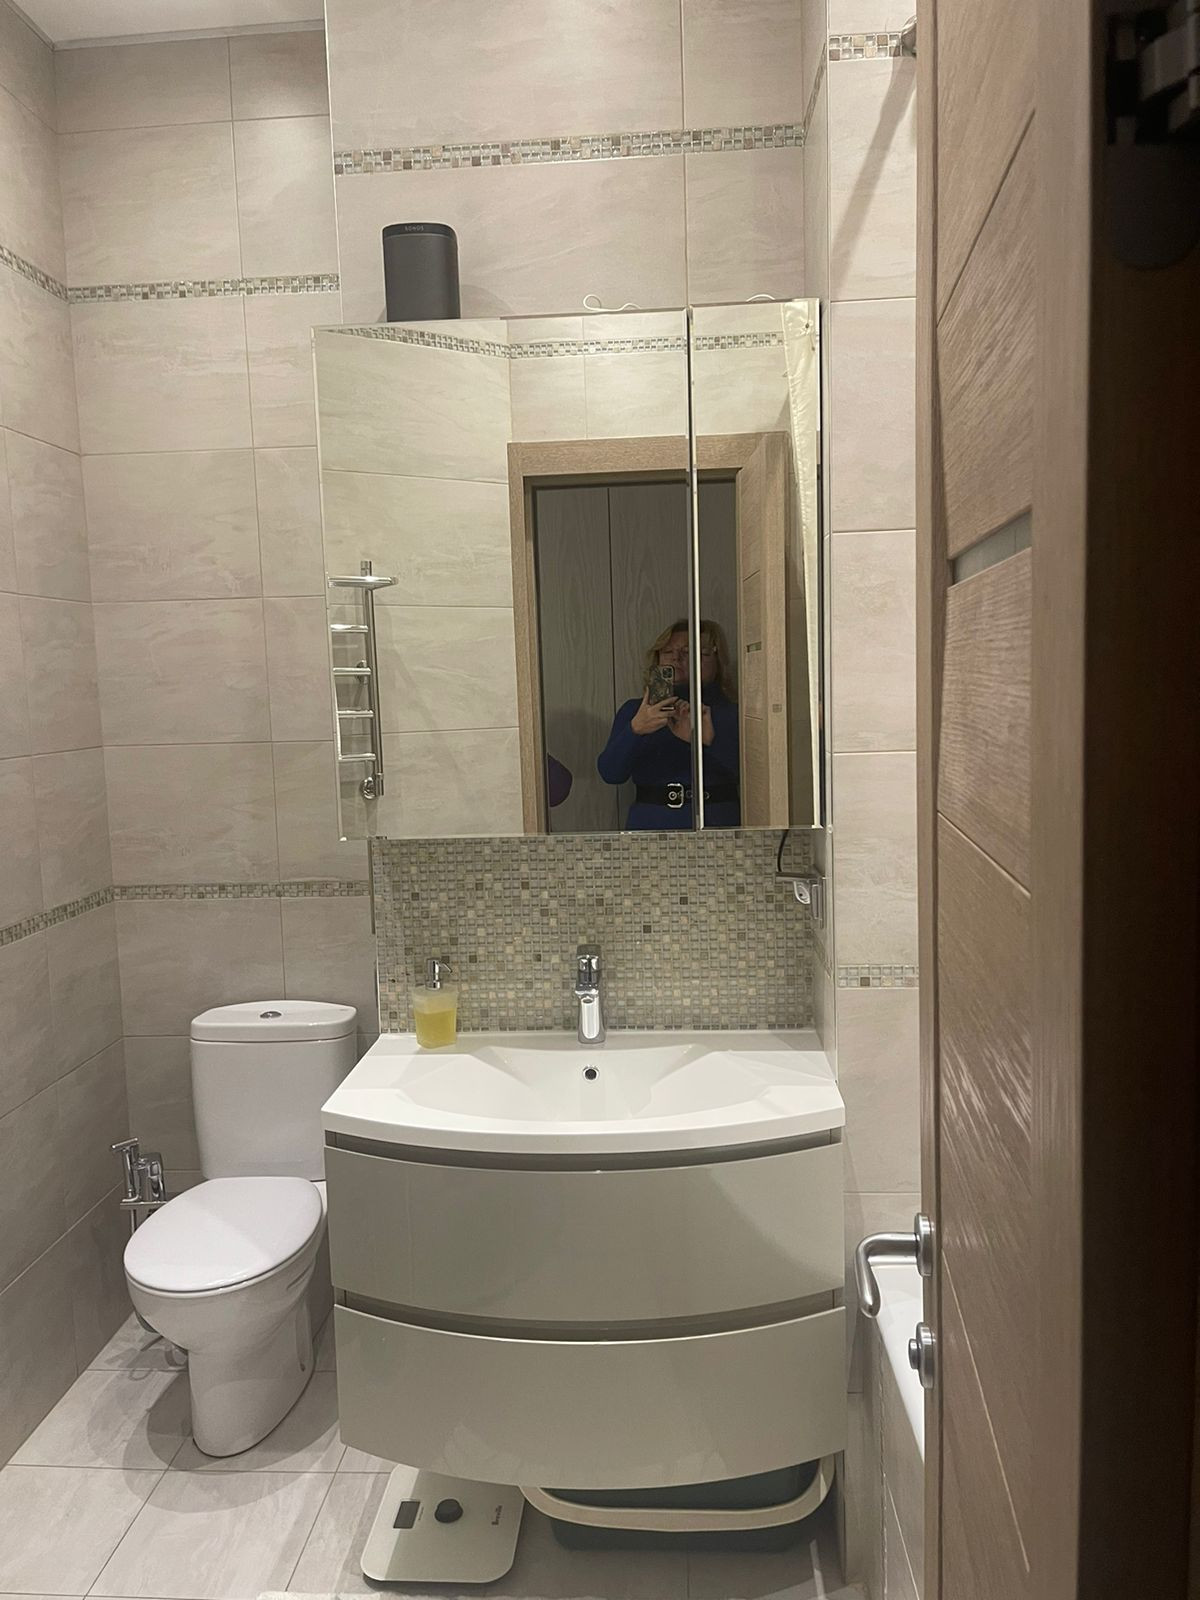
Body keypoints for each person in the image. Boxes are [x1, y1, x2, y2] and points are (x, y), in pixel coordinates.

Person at [597, 618, 740, 829]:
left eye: (691, 652)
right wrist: (635, 730)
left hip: (718, 821)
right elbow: (610, 774)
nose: (677, 658)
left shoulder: (733, 713)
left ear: (717, 661)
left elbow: (758, 777)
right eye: (667, 652)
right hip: (651, 823)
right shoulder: (636, 711)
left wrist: (708, 742)